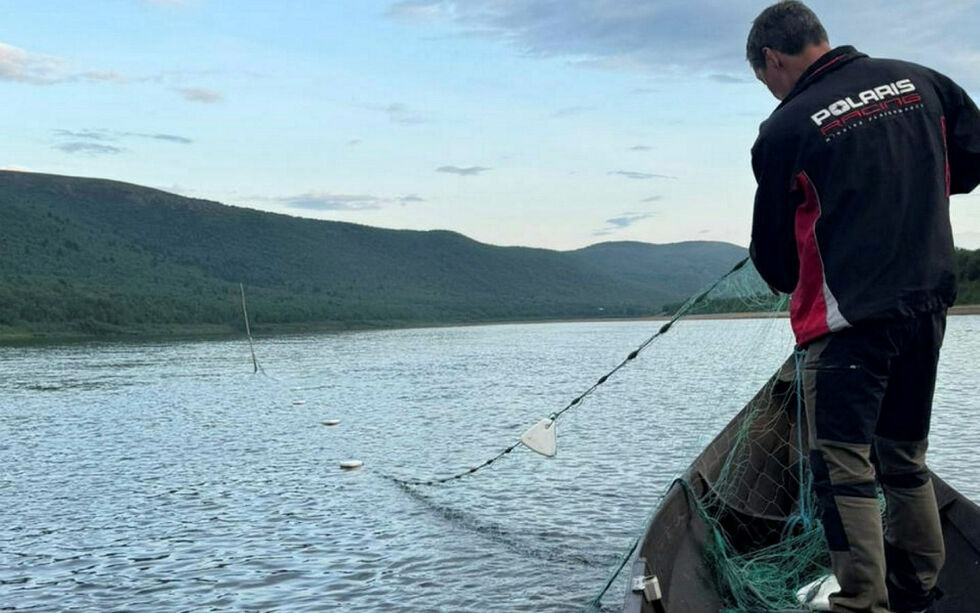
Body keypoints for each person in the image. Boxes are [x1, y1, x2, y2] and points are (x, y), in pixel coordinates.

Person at [745, 2, 980, 612]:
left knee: (842, 469)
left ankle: (861, 604)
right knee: (905, 458)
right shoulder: (923, 80)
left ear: (773, 59)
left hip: (848, 324)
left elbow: (774, 261)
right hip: (927, 306)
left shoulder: (786, 128)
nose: (769, 89)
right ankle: (919, 592)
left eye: (763, 77)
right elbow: (971, 163)